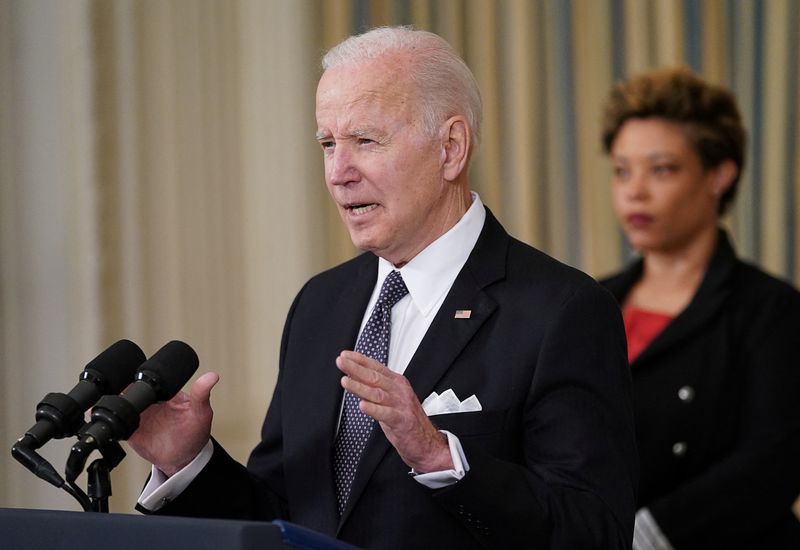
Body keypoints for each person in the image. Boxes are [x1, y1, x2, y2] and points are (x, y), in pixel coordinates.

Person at [129, 26, 638, 549]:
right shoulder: (319, 304)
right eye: (328, 144)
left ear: (451, 148)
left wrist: (441, 458)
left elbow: (593, 530)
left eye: (365, 141)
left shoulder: (562, 310)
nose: (338, 173)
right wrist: (186, 461)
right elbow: (284, 516)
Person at [599, 66, 800, 549]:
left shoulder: (770, 310)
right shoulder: (589, 301)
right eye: (622, 170)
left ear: (719, 175)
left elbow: (773, 463)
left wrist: (646, 535)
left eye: (662, 168)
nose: (635, 190)